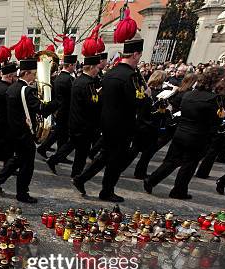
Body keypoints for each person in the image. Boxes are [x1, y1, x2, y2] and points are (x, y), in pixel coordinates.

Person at [72, 38, 148, 202]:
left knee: (105, 155)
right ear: (135, 54)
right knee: (115, 160)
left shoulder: (111, 73)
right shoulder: (130, 76)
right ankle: (106, 191)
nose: (139, 59)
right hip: (122, 124)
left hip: (107, 122)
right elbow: (137, 101)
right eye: (139, 56)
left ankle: (82, 178)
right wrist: (146, 95)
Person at [0, 35, 59, 203]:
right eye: (34, 74)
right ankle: (22, 193)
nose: (35, 77)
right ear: (26, 72)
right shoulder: (25, 90)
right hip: (23, 133)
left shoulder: (13, 87)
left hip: (14, 132)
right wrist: (58, 102)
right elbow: (42, 110)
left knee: (17, 160)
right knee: (27, 166)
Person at [144, 67, 224, 199]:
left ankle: (152, 180)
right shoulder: (214, 99)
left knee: (171, 161)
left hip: (181, 132)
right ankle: (178, 191)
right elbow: (214, 121)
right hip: (197, 135)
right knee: (188, 165)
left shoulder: (188, 94)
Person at [49, 54, 101, 178]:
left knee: (71, 145)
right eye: (97, 67)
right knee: (81, 152)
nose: (98, 70)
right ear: (92, 67)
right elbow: (91, 103)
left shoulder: (80, 80)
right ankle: (76, 174)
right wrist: (100, 97)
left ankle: (54, 160)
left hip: (77, 121)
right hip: (83, 122)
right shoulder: (86, 83)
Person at [40, 53, 76, 162]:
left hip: (58, 108)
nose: (74, 67)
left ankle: (48, 150)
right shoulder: (69, 79)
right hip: (65, 109)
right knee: (61, 133)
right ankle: (45, 149)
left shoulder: (58, 77)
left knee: (59, 133)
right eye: (73, 65)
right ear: (69, 65)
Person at [0, 61, 18, 165]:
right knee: (7, 144)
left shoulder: (1, 85)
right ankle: (7, 165)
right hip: (6, 120)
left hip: (2, 119)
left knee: (3, 143)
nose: (16, 79)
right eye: (15, 76)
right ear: (9, 76)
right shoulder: (6, 89)